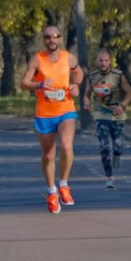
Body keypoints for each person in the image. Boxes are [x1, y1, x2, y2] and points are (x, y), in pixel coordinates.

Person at [20, 25, 84, 214]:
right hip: (45, 113)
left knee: (66, 146)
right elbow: (23, 83)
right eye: (48, 37)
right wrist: (38, 84)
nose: (52, 40)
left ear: (60, 38)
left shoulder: (68, 57)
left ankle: (63, 184)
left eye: (55, 36)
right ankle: (51, 191)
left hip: (66, 109)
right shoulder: (37, 59)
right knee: (48, 154)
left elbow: (78, 72)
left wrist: (76, 85)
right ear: (44, 40)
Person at [83, 49, 131, 190]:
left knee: (117, 145)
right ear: (97, 61)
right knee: (105, 146)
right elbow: (86, 94)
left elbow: (129, 92)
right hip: (100, 116)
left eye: (105, 60)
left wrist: (122, 105)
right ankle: (109, 178)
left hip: (117, 117)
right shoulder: (92, 77)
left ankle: (117, 154)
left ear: (110, 61)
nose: (103, 63)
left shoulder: (118, 75)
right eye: (100, 60)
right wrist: (87, 103)